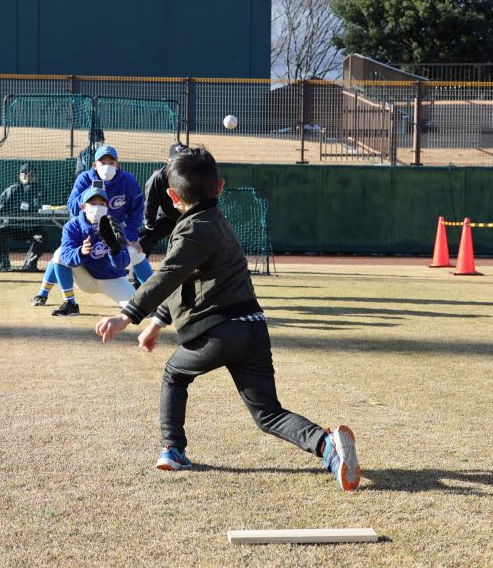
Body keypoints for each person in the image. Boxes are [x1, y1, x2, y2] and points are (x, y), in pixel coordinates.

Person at [95, 147, 361, 491]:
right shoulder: (219, 223)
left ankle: (173, 449)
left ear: (172, 196)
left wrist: (126, 315)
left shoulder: (193, 229)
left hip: (220, 331)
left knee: (175, 374)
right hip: (253, 328)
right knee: (267, 413)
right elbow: (186, 279)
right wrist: (155, 325)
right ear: (220, 187)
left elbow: (170, 274)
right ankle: (328, 446)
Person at [32, 144, 152, 308]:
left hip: (113, 230)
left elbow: (136, 209)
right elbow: (72, 207)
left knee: (135, 252)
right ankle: (45, 294)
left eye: (111, 162)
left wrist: (130, 237)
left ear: (117, 164)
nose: (107, 166)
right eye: (102, 162)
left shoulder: (128, 181)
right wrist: (92, 189)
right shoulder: (84, 179)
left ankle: (153, 295)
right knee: (61, 254)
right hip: (86, 231)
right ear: (95, 165)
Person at [32, 186, 135, 315]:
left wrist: (115, 250)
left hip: (112, 279)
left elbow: (123, 263)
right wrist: (81, 252)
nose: (97, 207)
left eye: (102, 204)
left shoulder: (114, 226)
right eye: (92, 203)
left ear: (107, 207)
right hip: (84, 278)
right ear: (83, 207)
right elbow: (66, 255)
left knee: (140, 310)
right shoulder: (72, 226)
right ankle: (70, 304)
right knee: (59, 254)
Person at [0, 163, 50, 271]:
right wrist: (13, 211)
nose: (29, 177)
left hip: (31, 229)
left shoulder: (41, 190)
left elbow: (41, 207)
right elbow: (0, 207)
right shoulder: (12, 190)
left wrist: (28, 209)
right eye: (25, 174)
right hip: (12, 227)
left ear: (36, 176)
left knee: (43, 237)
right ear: (20, 176)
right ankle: (4, 265)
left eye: (32, 174)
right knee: (0, 233)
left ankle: (30, 264)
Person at [138, 142, 186, 256]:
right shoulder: (159, 177)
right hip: (165, 217)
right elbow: (151, 202)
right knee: (143, 240)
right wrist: (149, 223)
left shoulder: (193, 176)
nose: (179, 165)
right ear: (168, 161)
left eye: (182, 161)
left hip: (186, 217)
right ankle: (140, 267)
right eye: (176, 161)